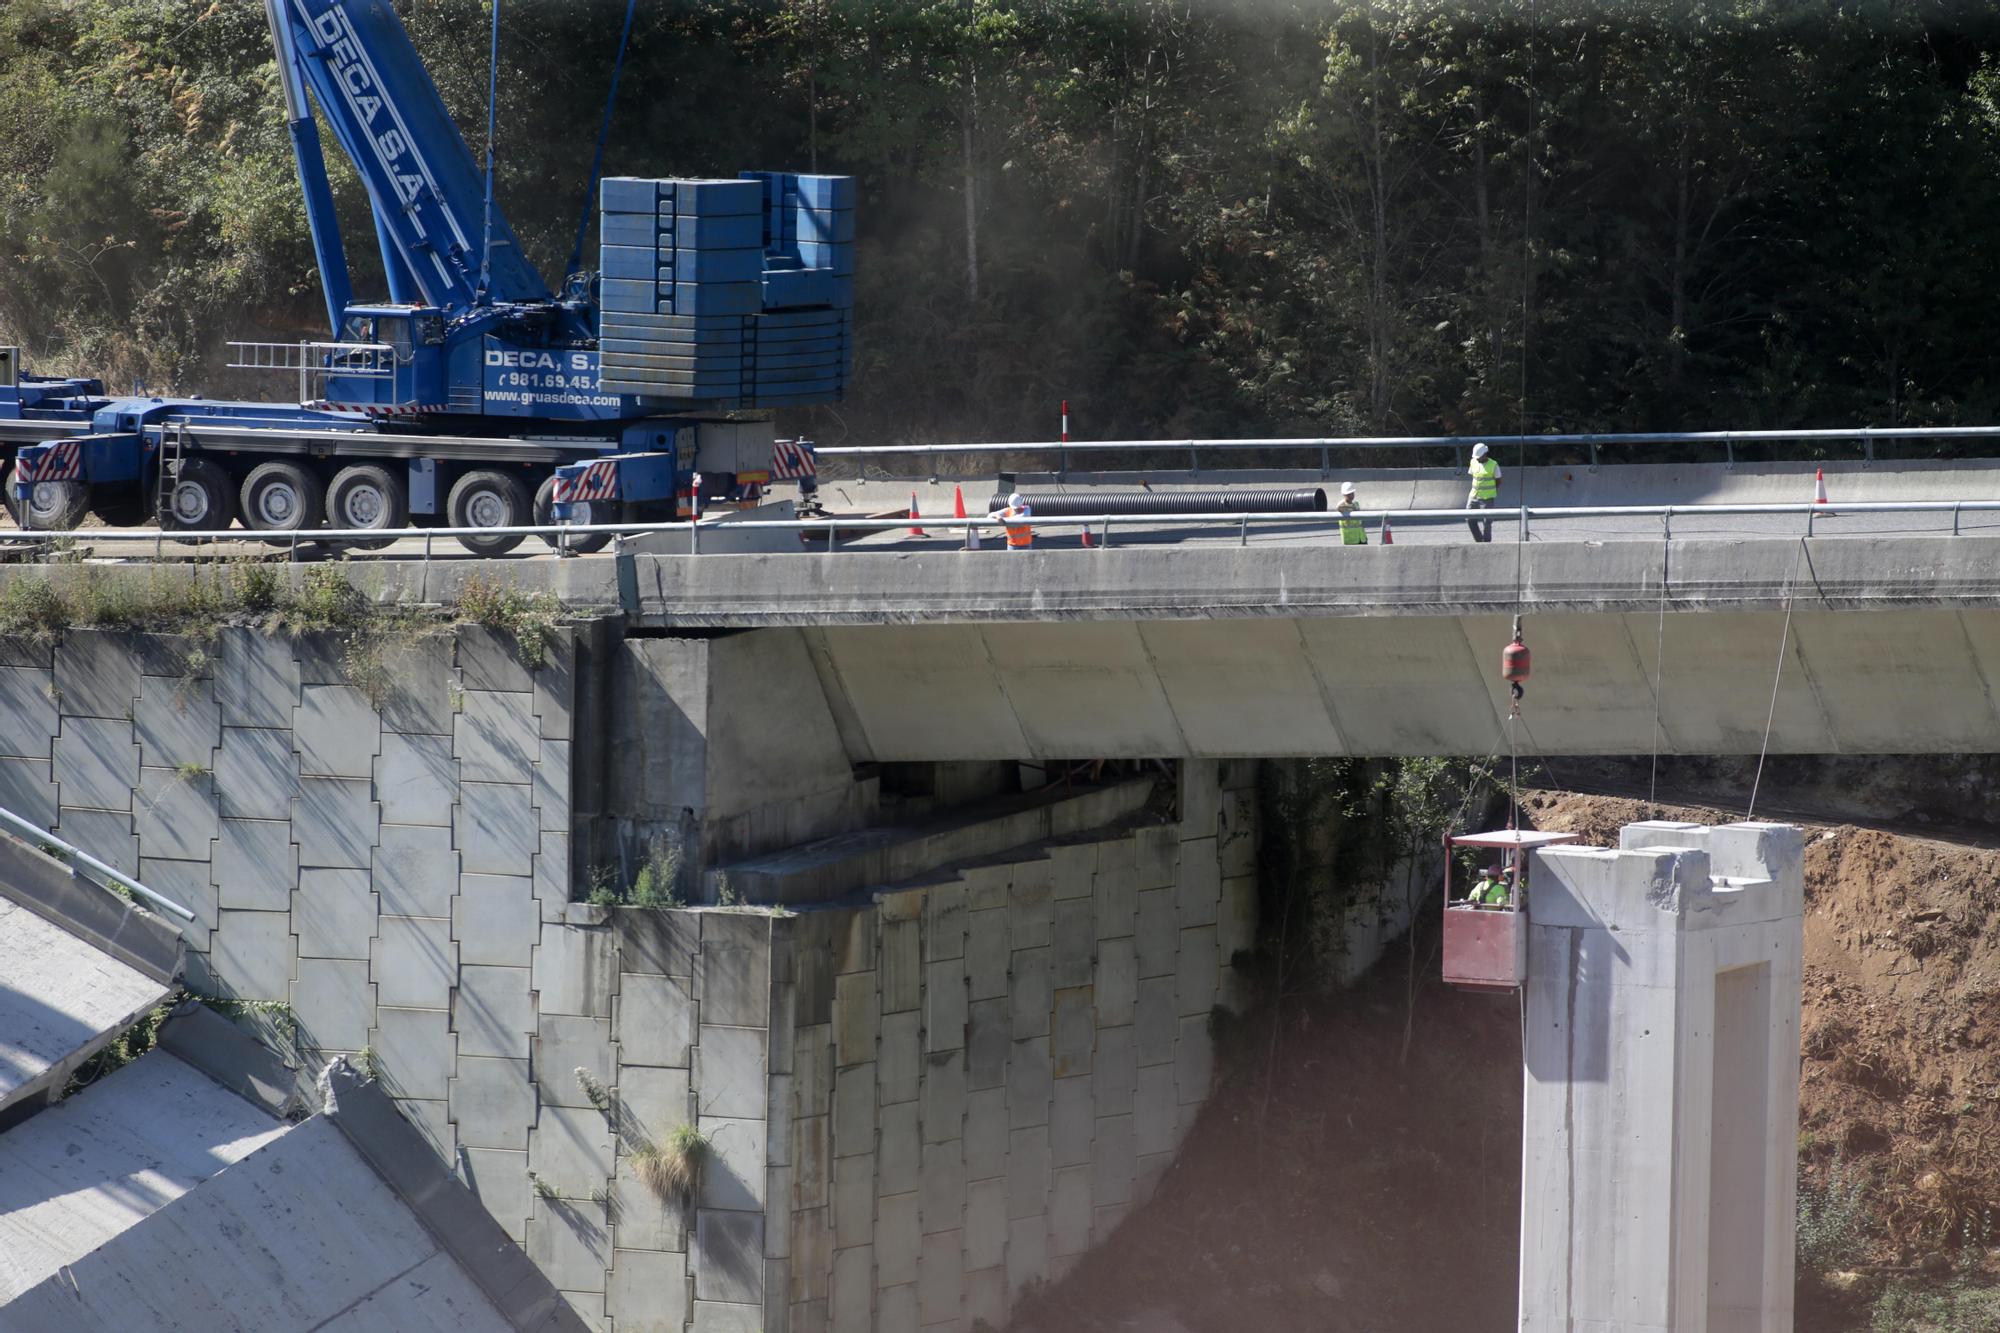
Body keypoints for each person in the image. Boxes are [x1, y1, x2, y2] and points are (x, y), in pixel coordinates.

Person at [1466, 442, 1500, 543]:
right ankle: (1479, 541)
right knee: (1469, 519)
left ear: (1485, 454)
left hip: (1487, 498)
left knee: (1487, 522)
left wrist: (1490, 490)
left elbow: (1499, 480)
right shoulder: (1473, 462)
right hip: (1473, 496)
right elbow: (1473, 476)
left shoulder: (1493, 465)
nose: (1477, 458)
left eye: (1479, 457)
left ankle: (1486, 543)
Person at [1336, 481, 1367, 545]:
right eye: (1349, 494)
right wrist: (1350, 508)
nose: (1351, 496)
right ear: (1344, 494)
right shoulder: (1341, 504)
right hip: (1350, 540)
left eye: (1352, 493)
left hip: (1361, 538)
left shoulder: (1356, 504)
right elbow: (1338, 507)